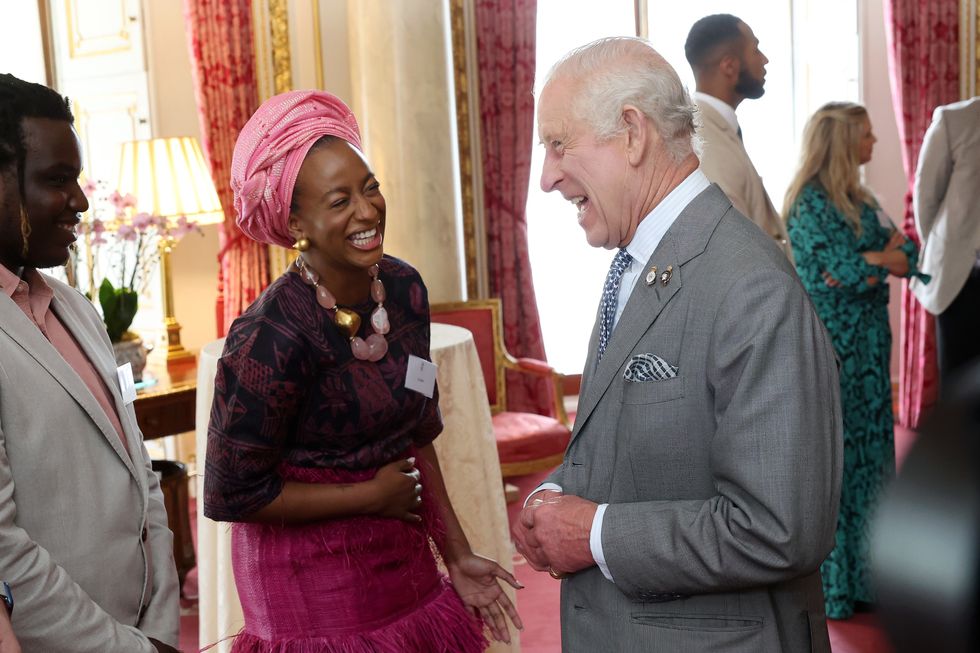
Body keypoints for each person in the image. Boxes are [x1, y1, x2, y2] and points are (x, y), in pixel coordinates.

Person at [513, 37, 842, 652]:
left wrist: (593, 534)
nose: (546, 177)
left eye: (558, 145)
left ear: (632, 134)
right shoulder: (640, 257)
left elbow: (780, 529)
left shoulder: (750, 286)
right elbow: (646, 439)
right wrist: (558, 492)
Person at [204, 89, 523, 652]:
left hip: (399, 549)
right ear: (295, 221)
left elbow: (418, 431)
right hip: (306, 586)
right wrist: (368, 497)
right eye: (340, 200)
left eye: (370, 187)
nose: (368, 210)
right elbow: (232, 495)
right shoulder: (269, 336)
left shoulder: (404, 289)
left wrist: (457, 553)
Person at [0, 74, 180, 651]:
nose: (79, 201)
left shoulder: (77, 308)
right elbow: (4, 553)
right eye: (57, 180)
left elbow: (143, 479)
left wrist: (161, 628)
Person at [783, 101, 926, 620]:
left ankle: (873, 581)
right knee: (839, 464)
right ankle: (837, 588)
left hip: (871, 347)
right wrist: (873, 261)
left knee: (875, 460)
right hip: (833, 349)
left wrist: (878, 260)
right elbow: (838, 273)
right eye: (866, 135)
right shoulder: (807, 203)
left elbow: (909, 256)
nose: (875, 143)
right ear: (843, 142)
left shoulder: (864, 200)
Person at [684, 14, 793, 260]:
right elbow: (732, 245)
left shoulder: (718, 125)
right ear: (729, 66)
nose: (765, 59)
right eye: (755, 50)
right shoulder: (703, 137)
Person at [910, 96, 980, 391]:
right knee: (959, 382)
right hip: (963, 275)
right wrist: (948, 247)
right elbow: (926, 198)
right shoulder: (955, 120)